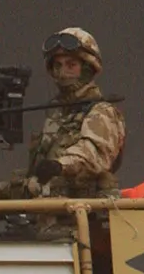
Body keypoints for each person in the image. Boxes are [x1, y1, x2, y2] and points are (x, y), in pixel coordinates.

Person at [25, 27, 126, 198]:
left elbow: (92, 154)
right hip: (48, 215)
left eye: (71, 65)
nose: (62, 72)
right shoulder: (56, 117)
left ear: (87, 68)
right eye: (58, 65)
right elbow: (37, 180)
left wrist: (59, 165)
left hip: (84, 217)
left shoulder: (102, 112)